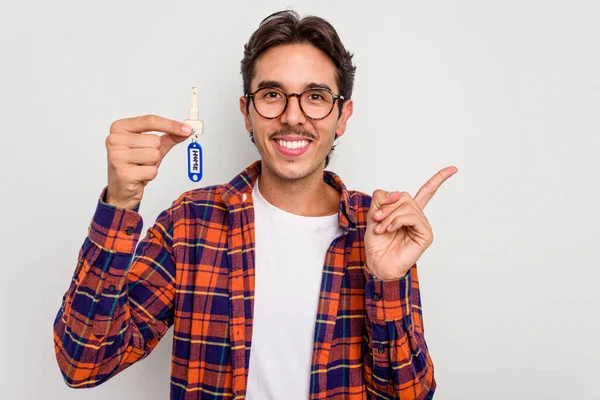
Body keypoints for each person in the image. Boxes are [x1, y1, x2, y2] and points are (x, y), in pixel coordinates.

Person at [53, 9, 456, 400]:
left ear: (342, 115)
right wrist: (119, 206)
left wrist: (387, 283)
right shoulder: (190, 223)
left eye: (315, 96)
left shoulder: (378, 227)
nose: (292, 116)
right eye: (272, 95)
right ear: (247, 113)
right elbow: (85, 362)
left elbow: (409, 395)